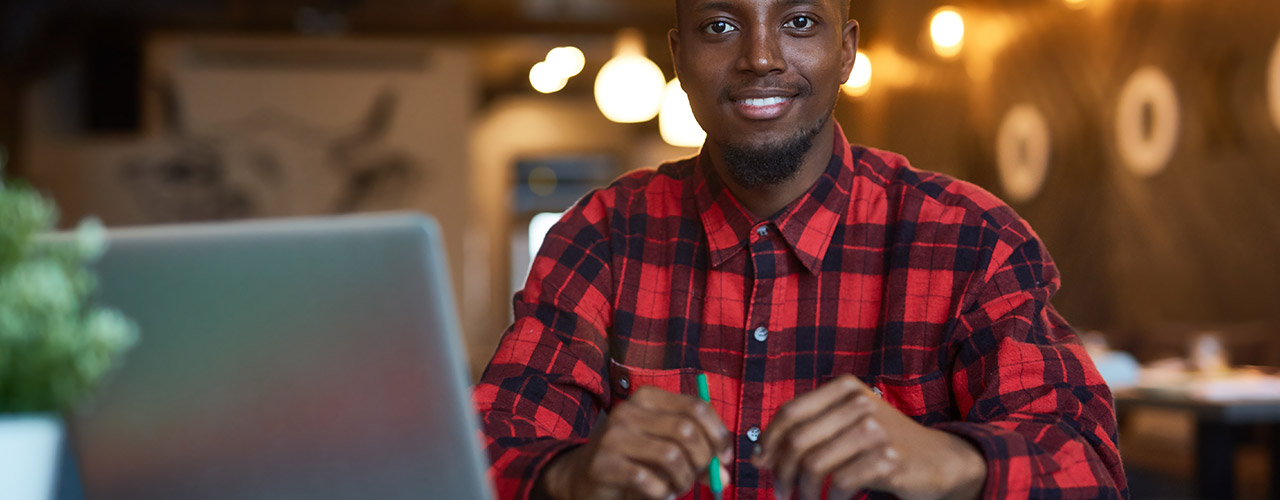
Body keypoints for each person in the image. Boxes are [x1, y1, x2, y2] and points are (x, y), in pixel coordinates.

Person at [473, 0, 1127, 498]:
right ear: (679, 57)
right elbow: (479, 452)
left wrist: (956, 462)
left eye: (800, 21)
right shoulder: (601, 235)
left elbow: (1086, 465)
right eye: (721, 26)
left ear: (846, 51)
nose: (760, 56)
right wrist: (568, 474)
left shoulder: (969, 239)